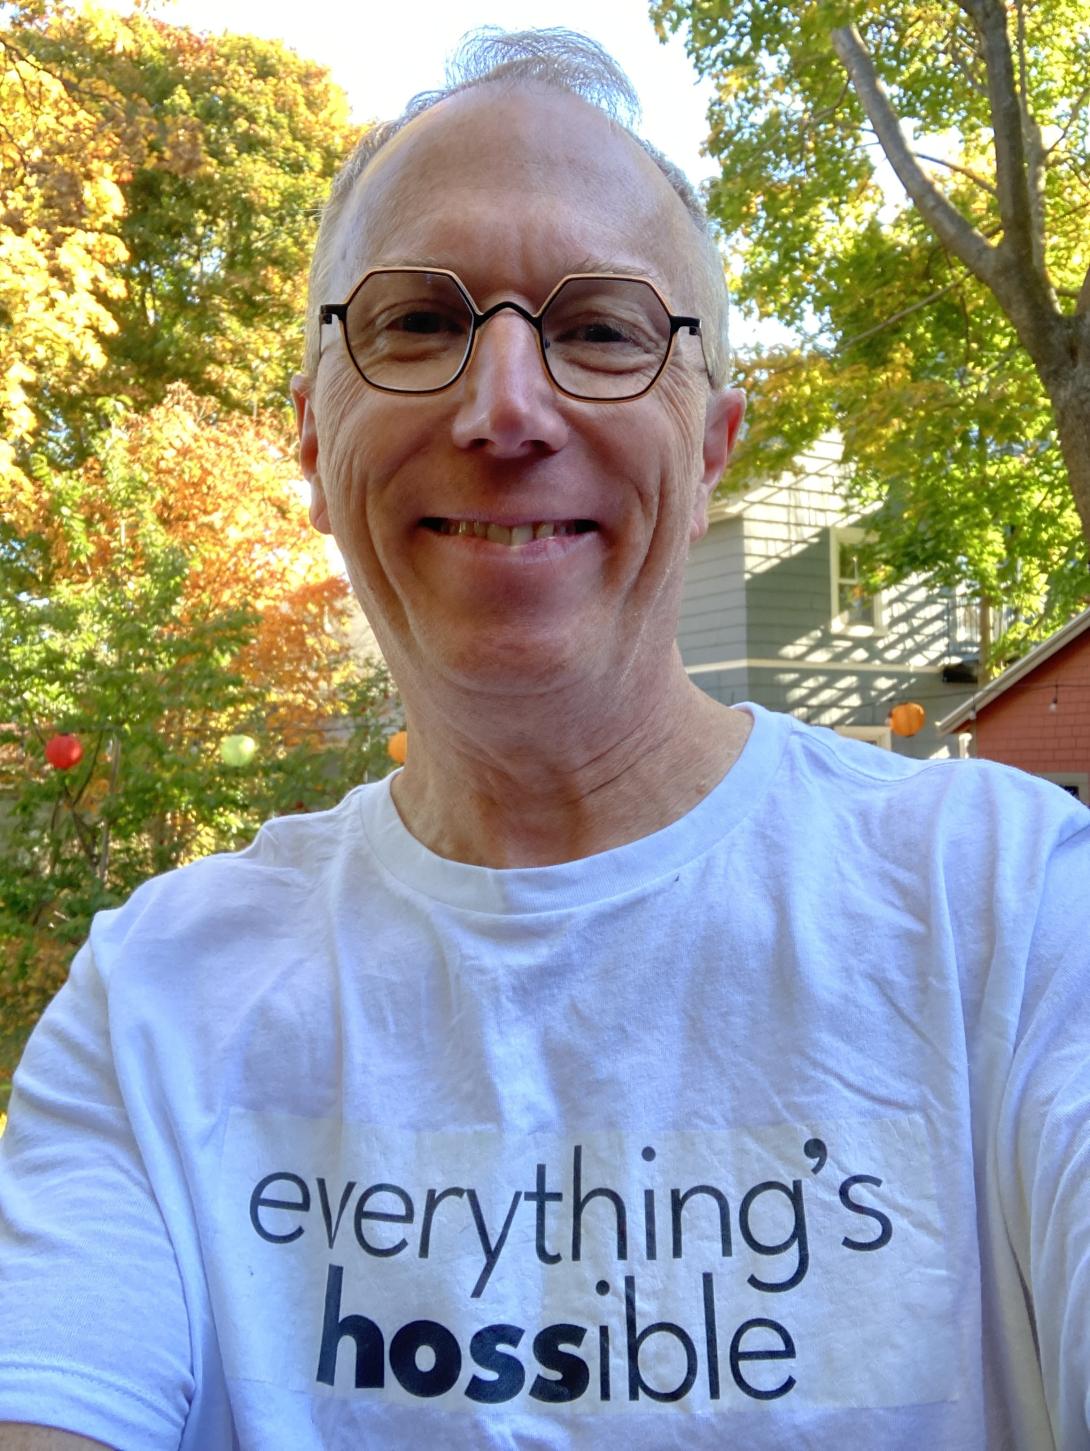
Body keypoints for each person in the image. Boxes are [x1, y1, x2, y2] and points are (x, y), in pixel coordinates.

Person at [0, 26, 1087, 1451]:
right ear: (315, 448)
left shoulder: (1017, 919)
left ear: (709, 450)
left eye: (598, 329)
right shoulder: (158, 1005)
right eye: (415, 323)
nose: (503, 407)